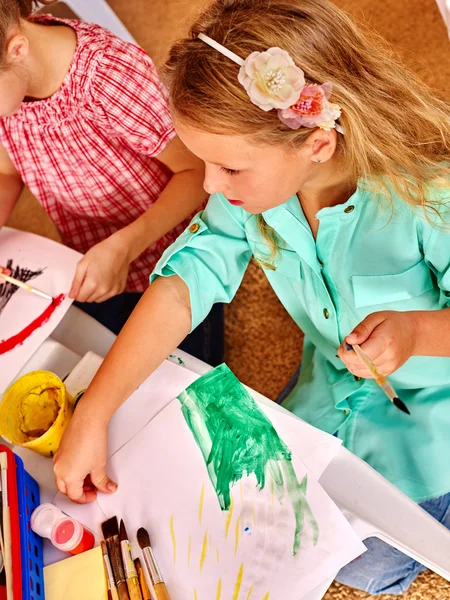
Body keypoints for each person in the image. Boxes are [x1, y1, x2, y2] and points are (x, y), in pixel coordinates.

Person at [54, 0, 450, 593]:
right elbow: (184, 283)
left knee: (362, 568)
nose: (209, 185)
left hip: (432, 426)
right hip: (326, 397)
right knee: (243, 518)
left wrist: (418, 333)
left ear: (316, 144)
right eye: (205, 163)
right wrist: (95, 410)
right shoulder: (253, 191)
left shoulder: (429, 198)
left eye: (230, 169)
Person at [0, 1, 224, 362]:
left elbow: (198, 173)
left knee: (178, 380)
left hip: (173, 250)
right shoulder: (11, 86)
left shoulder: (109, 76)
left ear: (17, 48)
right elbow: (7, 172)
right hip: (93, 255)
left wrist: (124, 248)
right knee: (74, 364)